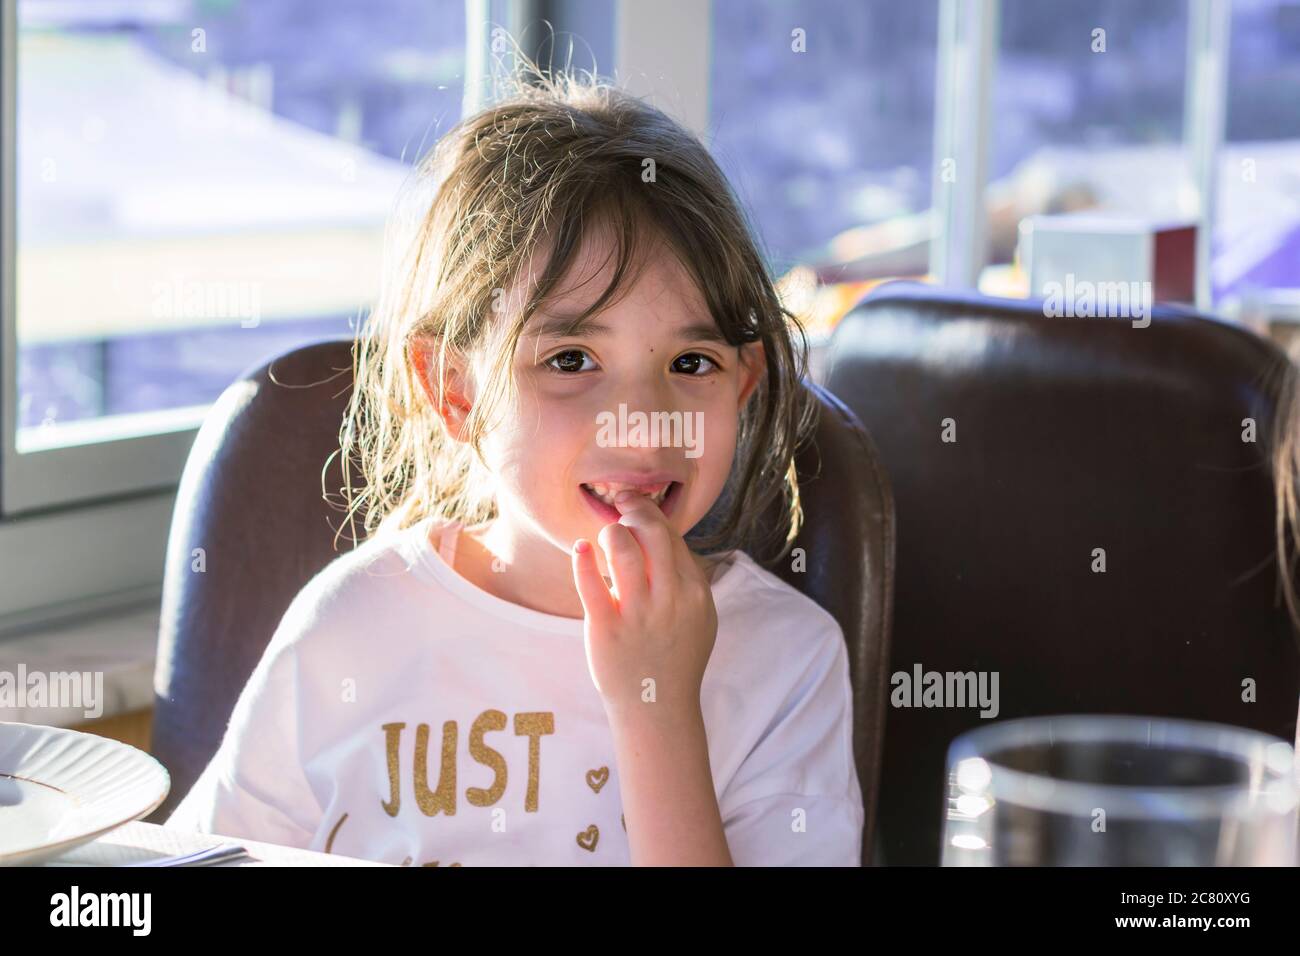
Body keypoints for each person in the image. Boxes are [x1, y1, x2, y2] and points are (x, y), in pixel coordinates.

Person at [167, 55, 866, 866]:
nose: (642, 429)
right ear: (454, 390)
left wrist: (658, 708)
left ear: (743, 384)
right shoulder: (352, 626)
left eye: (690, 364)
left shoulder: (788, 661)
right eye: (571, 361)